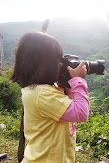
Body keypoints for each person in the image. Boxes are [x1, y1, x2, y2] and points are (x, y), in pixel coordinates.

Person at [11, 31, 90, 162]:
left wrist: (67, 85)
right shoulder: (43, 94)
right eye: (58, 60)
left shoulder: (37, 90)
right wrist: (78, 80)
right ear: (44, 63)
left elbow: (70, 106)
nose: (61, 65)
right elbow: (80, 113)